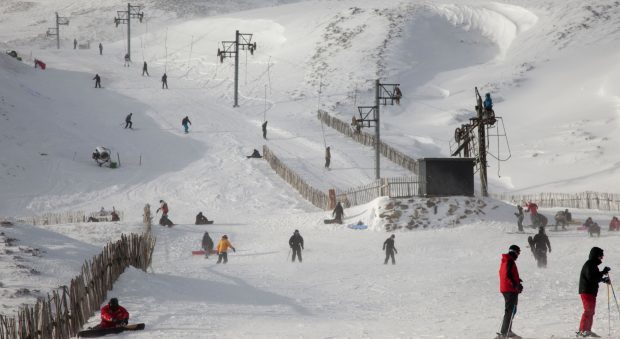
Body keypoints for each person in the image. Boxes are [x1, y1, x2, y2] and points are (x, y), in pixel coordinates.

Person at [577, 247, 611, 337]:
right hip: (587, 291)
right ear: (596, 256)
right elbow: (591, 278)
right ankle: (583, 331)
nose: (602, 258)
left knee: (591, 311)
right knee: (588, 311)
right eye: (601, 256)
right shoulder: (589, 264)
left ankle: (587, 330)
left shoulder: (592, 265)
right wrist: (603, 278)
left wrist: (603, 273)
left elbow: (594, 276)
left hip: (590, 292)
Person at [498, 245, 523, 339]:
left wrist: (517, 280)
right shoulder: (509, 261)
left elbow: (505, 273)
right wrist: (515, 285)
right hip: (510, 290)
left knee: (513, 309)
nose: (518, 255)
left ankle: (508, 330)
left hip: (508, 288)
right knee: (510, 311)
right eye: (518, 253)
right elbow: (507, 275)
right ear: (514, 252)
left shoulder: (506, 260)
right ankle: (504, 332)